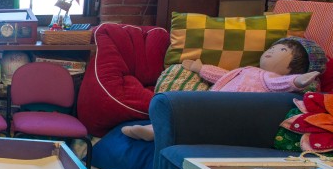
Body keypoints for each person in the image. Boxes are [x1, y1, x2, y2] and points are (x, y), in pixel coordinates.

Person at [122, 37, 326, 142]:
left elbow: (283, 84)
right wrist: (200, 68)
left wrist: (299, 81)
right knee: (186, 110)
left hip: (234, 108)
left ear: (297, 64)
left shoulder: (270, 78)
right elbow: (222, 75)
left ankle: (154, 131)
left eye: (282, 50)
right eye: (271, 48)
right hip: (215, 100)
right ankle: (154, 128)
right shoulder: (248, 69)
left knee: (194, 117)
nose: (271, 52)